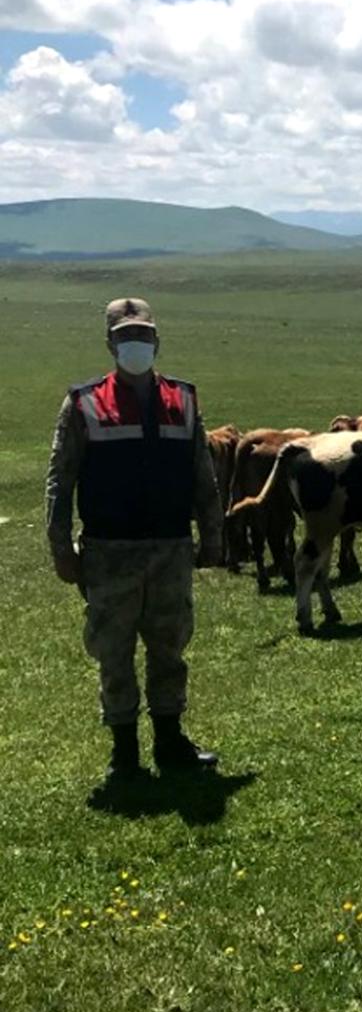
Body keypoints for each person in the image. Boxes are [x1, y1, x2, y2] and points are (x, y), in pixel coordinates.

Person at [46, 297, 224, 779]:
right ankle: (123, 753)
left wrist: (213, 535)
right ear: (110, 344)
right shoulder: (84, 403)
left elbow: (202, 473)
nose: (136, 344)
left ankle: (170, 741)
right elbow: (61, 480)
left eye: (143, 335)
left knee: (170, 646)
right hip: (109, 553)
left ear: (157, 341)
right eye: (125, 336)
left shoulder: (183, 399)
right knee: (113, 651)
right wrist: (61, 548)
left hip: (171, 548)